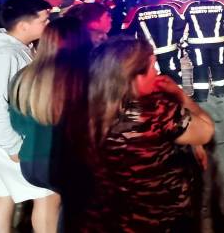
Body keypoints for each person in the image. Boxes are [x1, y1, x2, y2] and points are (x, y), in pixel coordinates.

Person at [83, 37, 215, 231]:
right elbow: (205, 131)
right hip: (159, 215)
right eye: (152, 66)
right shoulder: (154, 111)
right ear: (136, 76)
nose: (156, 73)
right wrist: (180, 96)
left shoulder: (83, 107)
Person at [0, 0, 59, 233]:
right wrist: (13, 147)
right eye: (44, 20)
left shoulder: (15, 49)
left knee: (3, 195)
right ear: (23, 26)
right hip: (7, 141)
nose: (48, 25)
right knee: (49, 196)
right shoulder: (2, 56)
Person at [9, 16, 92, 230]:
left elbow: (17, 124)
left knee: (49, 205)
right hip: (69, 161)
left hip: (32, 163)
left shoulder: (23, 76)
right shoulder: (86, 76)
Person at [180, 0, 224, 100]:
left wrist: (180, 40)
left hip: (197, 44)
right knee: (219, 65)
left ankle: (201, 96)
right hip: (218, 43)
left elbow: (179, 25)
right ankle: (220, 91)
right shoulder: (222, 3)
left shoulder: (188, 5)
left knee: (200, 67)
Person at [122, 0, 186, 85]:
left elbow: (127, 33)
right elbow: (181, 26)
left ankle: (157, 98)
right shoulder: (170, 8)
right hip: (170, 50)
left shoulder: (135, 11)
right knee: (173, 75)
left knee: (152, 77)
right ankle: (176, 97)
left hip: (147, 53)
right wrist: (176, 40)